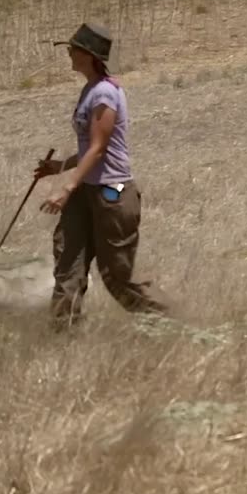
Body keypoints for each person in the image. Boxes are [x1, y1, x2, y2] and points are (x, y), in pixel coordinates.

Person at [34, 22, 171, 330]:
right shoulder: (90, 89)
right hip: (85, 191)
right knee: (68, 266)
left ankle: (167, 323)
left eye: (72, 49)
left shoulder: (105, 94)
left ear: (87, 55)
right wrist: (59, 167)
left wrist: (65, 186)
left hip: (111, 193)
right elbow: (88, 151)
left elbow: (98, 147)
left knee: (117, 278)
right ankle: (63, 337)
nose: (68, 54)